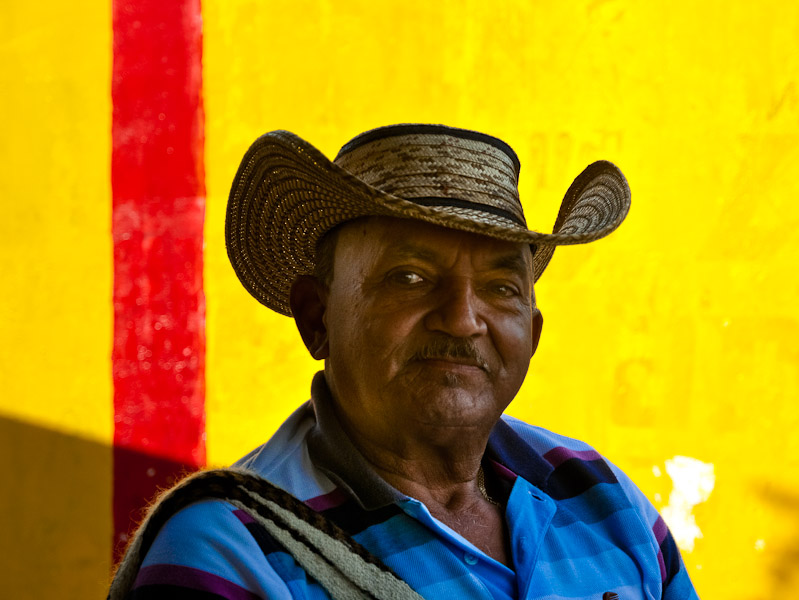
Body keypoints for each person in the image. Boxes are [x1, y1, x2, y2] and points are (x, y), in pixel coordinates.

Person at [109, 124, 700, 600]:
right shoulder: (234, 550)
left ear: (533, 332)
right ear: (317, 317)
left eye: (501, 287)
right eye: (410, 278)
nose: (464, 318)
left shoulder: (599, 495)